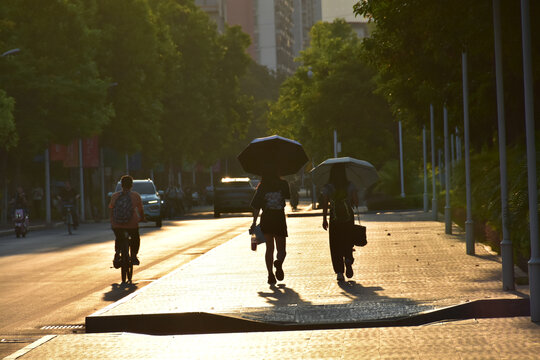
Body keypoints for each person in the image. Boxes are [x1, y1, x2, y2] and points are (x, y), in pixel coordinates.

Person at [251, 169, 291, 285]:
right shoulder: (283, 184)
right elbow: (288, 197)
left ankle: (270, 275)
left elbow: (256, 206)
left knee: (269, 249)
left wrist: (254, 222)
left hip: (267, 219)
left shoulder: (262, 186)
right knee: (282, 249)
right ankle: (278, 262)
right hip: (279, 219)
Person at [321, 164, 359, 282]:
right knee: (348, 239)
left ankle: (339, 272)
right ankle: (348, 258)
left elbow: (325, 203)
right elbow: (356, 202)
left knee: (335, 243)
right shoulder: (350, 185)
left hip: (334, 218)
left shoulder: (328, 187)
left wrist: (324, 219)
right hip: (348, 217)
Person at [109, 175, 145, 266]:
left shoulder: (115, 196)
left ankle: (117, 254)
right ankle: (133, 256)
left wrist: (112, 221)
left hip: (117, 225)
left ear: (121, 185)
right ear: (131, 185)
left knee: (119, 238)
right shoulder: (136, 196)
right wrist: (142, 218)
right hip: (132, 224)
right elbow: (140, 210)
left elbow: (111, 209)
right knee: (135, 238)